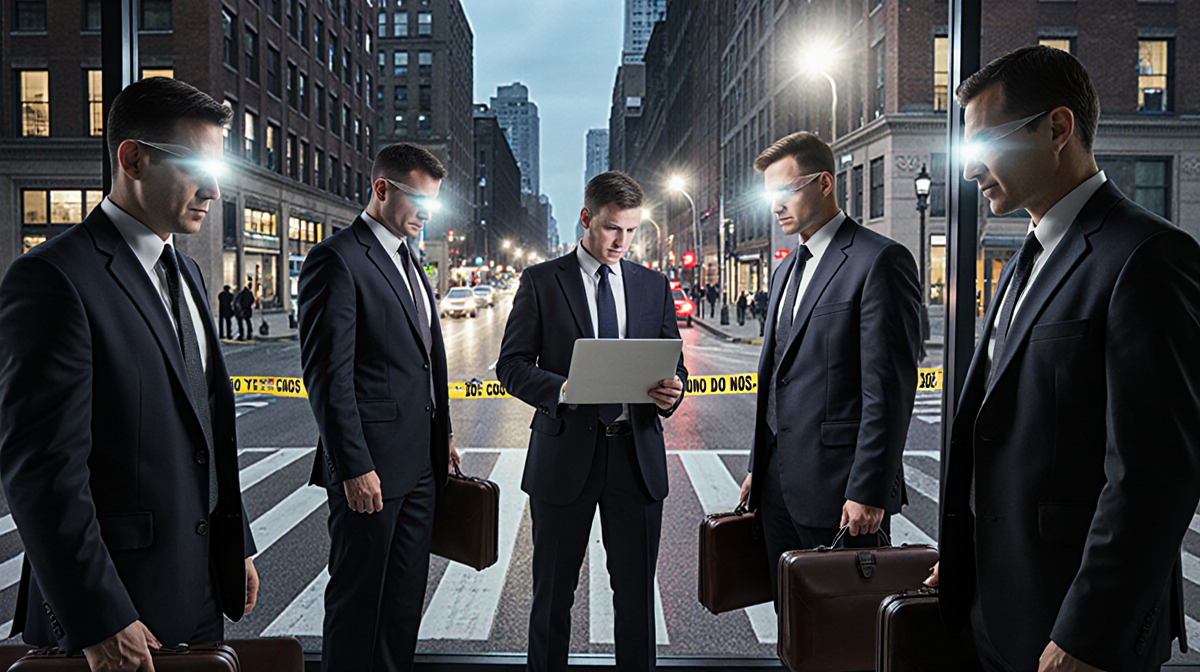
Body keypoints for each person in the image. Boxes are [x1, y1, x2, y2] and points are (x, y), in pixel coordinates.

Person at [926, 46, 1200, 672]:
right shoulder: (1021, 259)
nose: (970, 169)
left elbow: (1154, 476)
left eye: (984, 143)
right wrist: (969, 558)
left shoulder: (1149, 257)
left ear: (1057, 129)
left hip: (1075, 630)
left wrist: (1088, 633)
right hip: (995, 606)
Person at [0, 76, 258, 671]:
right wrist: (100, 617)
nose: (214, 190)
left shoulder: (189, 274)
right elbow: (42, 470)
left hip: (199, 589)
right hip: (116, 610)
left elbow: (205, 427)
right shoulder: (52, 278)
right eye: (196, 167)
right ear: (133, 158)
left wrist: (235, 543)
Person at [496, 171, 687, 672]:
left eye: (630, 230)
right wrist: (563, 390)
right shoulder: (542, 281)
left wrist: (673, 391)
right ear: (586, 218)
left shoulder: (652, 285)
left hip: (635, 458)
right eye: (610, 228)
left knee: (637, 601)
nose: (621, 242)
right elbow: (511, 366)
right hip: (564, 456)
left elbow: (675, 365)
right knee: (552, 597)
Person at [738, 131, 921, 602]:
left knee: (845, 630)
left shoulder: (879, 260)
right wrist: (759, 466)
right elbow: (777, 374)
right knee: (790, 620)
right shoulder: (785, 270)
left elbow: (889, 389)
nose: (776, 205)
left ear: (824, 183)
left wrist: (870, 490)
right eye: (769, 195)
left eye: (786, 190)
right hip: (776, 488)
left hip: (842, 494)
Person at [298, 142, 457, 672]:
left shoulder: (411, 260)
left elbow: (424, 360)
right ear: (382, 188)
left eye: (434, 202)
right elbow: (328, 377)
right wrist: (354, 466)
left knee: (403, 606)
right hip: (369, 471)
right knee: (358, 605)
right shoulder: (337, 259)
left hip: (420, 468)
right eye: (419, 200)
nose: (427, 214)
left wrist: (444, 436)